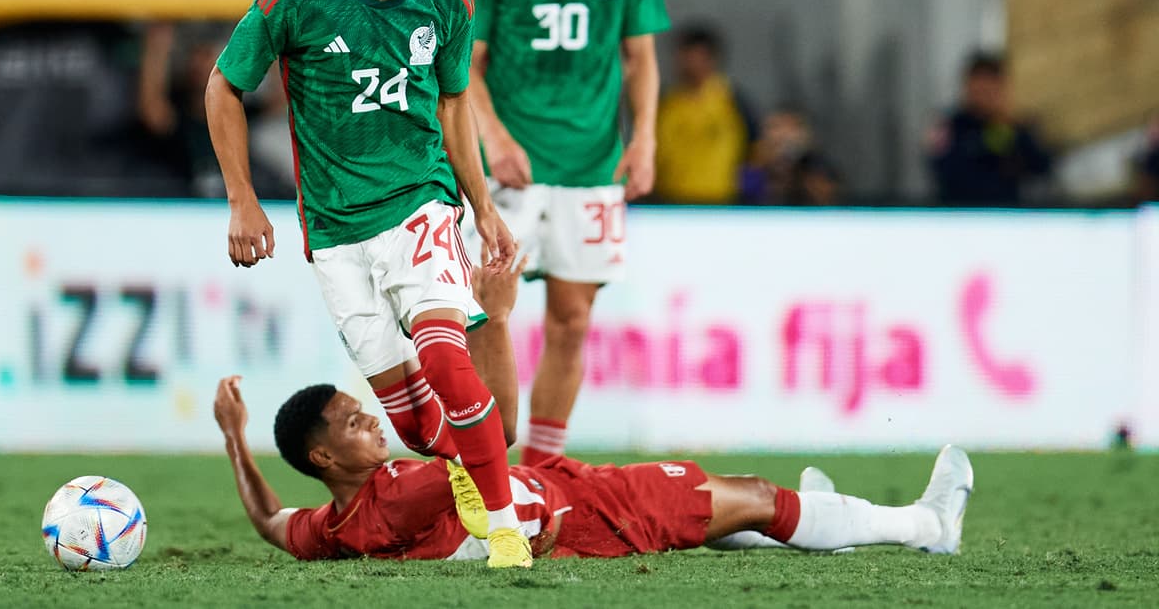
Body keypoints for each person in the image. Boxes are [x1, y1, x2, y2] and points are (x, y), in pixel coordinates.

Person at [204, 0, 530, 568]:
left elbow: (453, 106)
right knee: (414, 424)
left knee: (447, 359)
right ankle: (470, 467)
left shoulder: (448, 0)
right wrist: (242, 198)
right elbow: (223, 88)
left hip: (419, 203)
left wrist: (481, 205)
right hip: (333, 231)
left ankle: (505, 525)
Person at [212, 259, 975, 562]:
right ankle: (927, 526)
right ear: (323, 457)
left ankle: (821, 525)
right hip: (591, 517)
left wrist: (235, 441)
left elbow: (271, 522)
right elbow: (494, 430)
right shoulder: (404, 493)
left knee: (741, 506)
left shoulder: (335, 529)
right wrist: (499, 319)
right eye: (353, 421)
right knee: (753, 496)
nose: (371, 420)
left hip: (566, 489)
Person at [455, 0, 671, 466]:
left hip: (592, 165)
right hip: (508, 169)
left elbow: (640, 57)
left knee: (571, 322)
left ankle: (543, 471)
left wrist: (645, 141)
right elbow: (466, 64)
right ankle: (484, 466)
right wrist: (493, 137)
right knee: (487, 314)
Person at [925, 50, 1053, 206]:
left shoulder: (1015, 127)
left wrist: (1011, 128)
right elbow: (942, 169)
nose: (983, 96)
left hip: (1005, 215)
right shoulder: (949, 126)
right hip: (958, 215)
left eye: (989, 90)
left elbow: (1042, 168)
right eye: (978, 90)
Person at [654, 23, 759, 204]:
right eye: (683, 56)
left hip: (721, 201)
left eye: (694, 56)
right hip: (668, 200)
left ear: (711, 59)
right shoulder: (665, 101)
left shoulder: (732, 100)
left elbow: (757, 145)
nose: (687, 63)